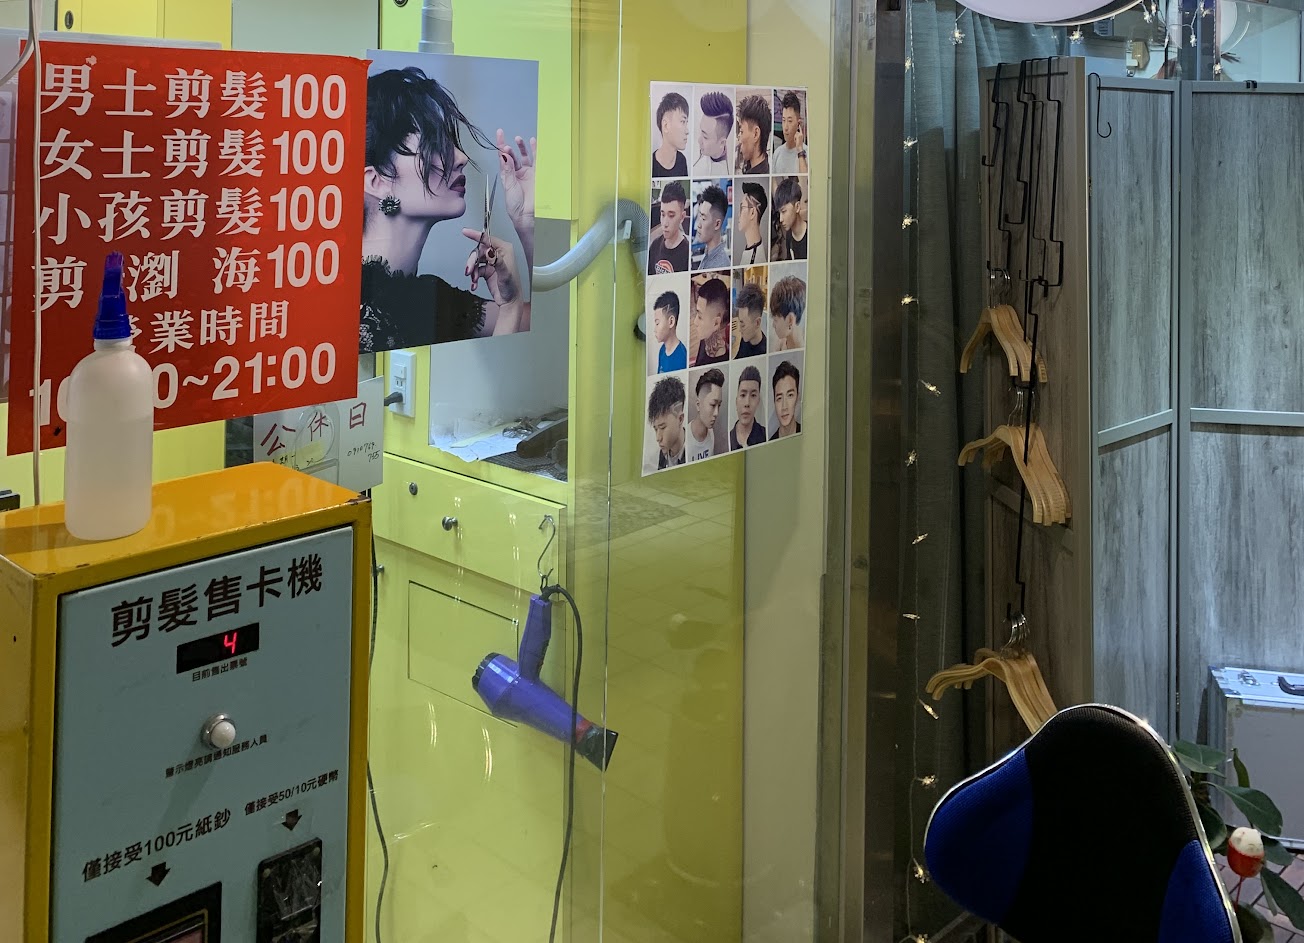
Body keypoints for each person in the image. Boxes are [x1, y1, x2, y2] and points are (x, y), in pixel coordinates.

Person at [360, 66, 535, 352]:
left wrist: (527, 224)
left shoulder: (428, 300)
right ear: (376, 181)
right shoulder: (342, 300)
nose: (461, 157)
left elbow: (557, 327)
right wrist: (510, 307)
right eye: (434, 144)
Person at [648, 181, 690, 275]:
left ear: (682, 217)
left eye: (671, 216)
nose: (665, 223)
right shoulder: (655, 246)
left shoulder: (687, 253)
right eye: (663, 215)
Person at [648, 376, 687, 469]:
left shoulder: (692, 451)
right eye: (656, 429)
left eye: (662, 427)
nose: (658, 438)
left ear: (680, 419)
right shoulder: (658, 458)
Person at [690, 276, 730, 366]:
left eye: (700, 317)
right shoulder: (705, 337)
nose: (695, 322)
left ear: (716, 323)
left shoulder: (720, 364)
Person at [687, 368, 725, 462]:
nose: (716, 413)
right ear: (698, 405)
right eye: (713, 405)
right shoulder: (685, 440)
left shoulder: (711, 433)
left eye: (719, 405)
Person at [693, 90, 734, 176]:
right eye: (701, 132)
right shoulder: (694, 161)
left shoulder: (729, 172)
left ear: (722, 143)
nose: (699, 140)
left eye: (705, 137)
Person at [693, 184, 731, 271]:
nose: (699, 224)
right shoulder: (708, 255)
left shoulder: (720, 266)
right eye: (699, 217)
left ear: (717, 224)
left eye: (703, 218)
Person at [653, 91, 690, 178]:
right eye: (682, 121)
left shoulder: (682, 160)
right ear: (666, 125)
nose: (687, 131)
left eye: (686, 123)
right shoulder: (651, 164)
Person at [771, 91, 809, 175]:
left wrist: (800, 150)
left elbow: (805, 181)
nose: (785, 127)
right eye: (783, 120)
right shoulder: (777, 153)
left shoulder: (807, 152)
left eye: (790, 121)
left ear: (798, 124)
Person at [772, 176, 808, 261]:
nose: (781, 219)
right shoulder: (789, 235)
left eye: (784, 211)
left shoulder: (811, 235)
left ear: (797, 207)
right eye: (779, 213)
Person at [730, 365, 766, 450]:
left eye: (753, 395)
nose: (747, 403)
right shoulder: (727, 439)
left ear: (758, 401)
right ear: (736, 400)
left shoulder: (766, 435)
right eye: (743, 395)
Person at [734, 93, 771, 175]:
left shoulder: (760, 177)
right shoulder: (748, 167)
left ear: (756, 134)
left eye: (741, 131)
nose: (739, 138)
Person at [652, 290, 686, 373]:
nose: (654, 330)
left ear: (671, 322)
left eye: (657, 323)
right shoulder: (662, 350)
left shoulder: (682, 357)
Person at [735, 181, 768, 266]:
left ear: (752, 213)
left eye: (742, 208)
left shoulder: (755, 261)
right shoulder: (750, 249)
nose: (738, 215)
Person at [769, 275, 806, 351]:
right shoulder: (781, 342)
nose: (773, 325)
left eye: (775, 320)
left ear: (790, 320)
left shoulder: (803, 350)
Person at [732, 283, 767, 359]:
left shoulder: (764, 354)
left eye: (743, 325)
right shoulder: (745, 340)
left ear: (757, 323)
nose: (739, 330)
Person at [770, 359, 802, 440]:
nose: (784, 407)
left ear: (797, 397)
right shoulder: (771, 442)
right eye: (779, 398)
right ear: (774, 402)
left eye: (790, 395)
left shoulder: (808, 434)